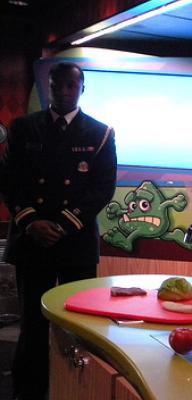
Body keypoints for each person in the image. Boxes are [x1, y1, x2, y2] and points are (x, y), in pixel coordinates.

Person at [0, 62, 117, 400]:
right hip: (32, 240)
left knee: (76, 324)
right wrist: (31, 221)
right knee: (33, 326)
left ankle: (72, 390)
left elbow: (103, 188)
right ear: (48, 87)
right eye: (57, 86)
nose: (64, 92)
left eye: (70, 85)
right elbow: (9, 181)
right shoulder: (24, 128)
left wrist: (63, 224)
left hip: (75, 243)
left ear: (82, 89)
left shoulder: (100, 132)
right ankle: (28, 393)